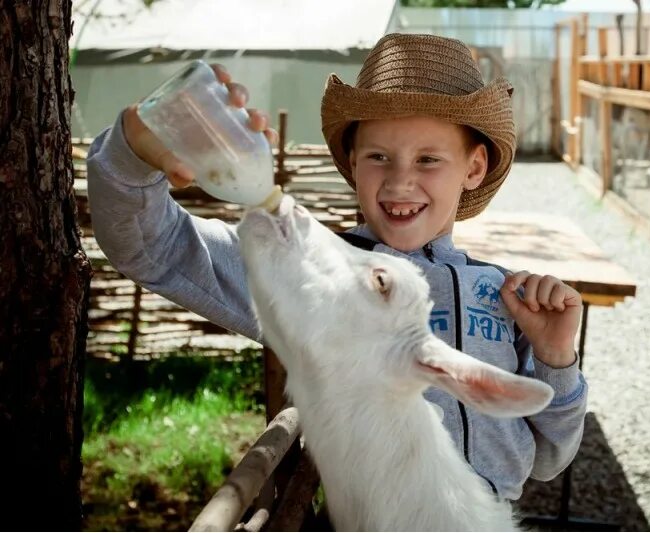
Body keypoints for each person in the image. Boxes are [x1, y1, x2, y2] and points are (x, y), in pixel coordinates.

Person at [87, 33, 587, 501]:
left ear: (473, 168)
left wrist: (555, 354)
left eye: (429, 159)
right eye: (379, 157)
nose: (399, 182)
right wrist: (131, 158)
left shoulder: (502, 295)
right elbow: (157, 248)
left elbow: (547, 459)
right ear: (351, 161)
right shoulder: (312, 275)